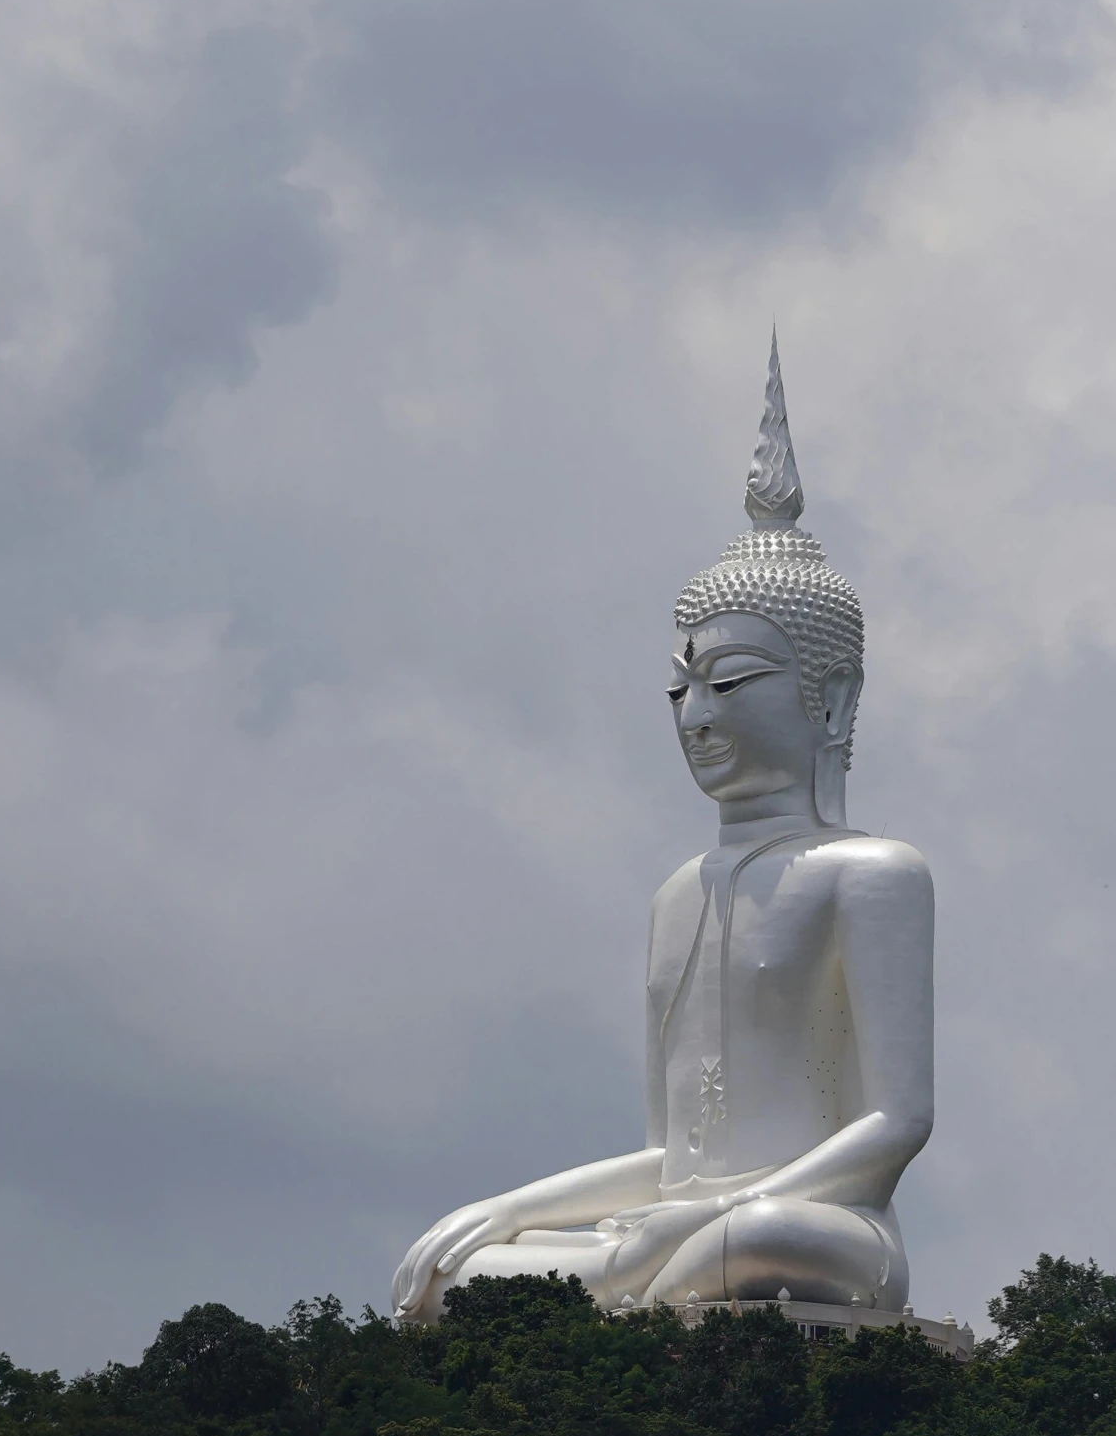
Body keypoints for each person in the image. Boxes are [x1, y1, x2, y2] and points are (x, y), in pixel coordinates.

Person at [392, 333, 933, 1321]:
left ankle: (640, 1282)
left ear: (834, 700)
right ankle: (634, 1283)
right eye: (680, 687)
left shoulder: (872, 874)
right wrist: (508, 1208)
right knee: (465, 1269)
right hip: (678, 1226)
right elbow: (672, 1154)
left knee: (744, 1238)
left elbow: (897, 1122)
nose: (697, 716)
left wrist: (710, 1213)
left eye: (730, 683)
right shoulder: (678, 895)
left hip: (816, 1229)